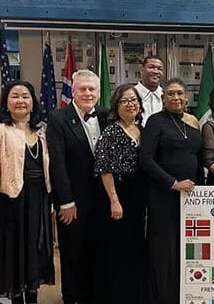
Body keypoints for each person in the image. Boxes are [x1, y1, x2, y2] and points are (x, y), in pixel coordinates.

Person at [0, 80, 54, 304]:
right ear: (6, 103)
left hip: (39, 199)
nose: (20, 100)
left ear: (33, 102)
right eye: (15, 96)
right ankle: (16, 299)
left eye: (25, 96)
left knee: (35, 250)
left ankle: (33, 297)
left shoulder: (43, 130)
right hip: (12, 200)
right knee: (14, 252)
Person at [46, 70, 109, 304]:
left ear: (99, 92)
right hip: (73, 200)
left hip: (103, 199)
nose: (88, 93)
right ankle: (72, 296)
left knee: (98, 249)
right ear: (73, 91)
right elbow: (57, 163)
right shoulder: (58, 118)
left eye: (92, 89)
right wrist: (65, 201)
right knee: (73, 251)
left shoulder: (106, 115)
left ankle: (95, 294)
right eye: (82, 89)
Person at [140, 78, 204, 304]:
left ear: (187, 97)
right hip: (163, 195)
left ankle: (184, 293)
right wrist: (173, 183)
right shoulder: (155, 122)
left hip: (191, 197)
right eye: (170, 94)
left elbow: (201, 157)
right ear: (163, 98)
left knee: (188, 247)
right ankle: (162, 297)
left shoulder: (193, 122)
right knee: (164, 248)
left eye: (180, 94)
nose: (175, 98)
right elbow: (145, 159)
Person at [94, 83, 147, 303]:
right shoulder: (111, 131)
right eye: (125, 100)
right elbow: (104, 169)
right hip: (119, 193)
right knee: (119, 248)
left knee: (136, 246)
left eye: (134, 100)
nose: (130, 104)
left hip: (139, 193)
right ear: (117, 105)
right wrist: (114, 201)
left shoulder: (142, 129)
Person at [135, 56, 165, 126]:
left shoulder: (166, 95)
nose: (156, 71)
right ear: (142, 69)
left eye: (160, 69)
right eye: (151, 67)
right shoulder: (131, 94)